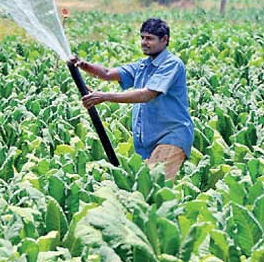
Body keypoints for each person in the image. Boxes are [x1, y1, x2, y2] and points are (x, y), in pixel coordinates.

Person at [70, 18, 193, 180]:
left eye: (149, 38)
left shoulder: (172, 64)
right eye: (142, 37)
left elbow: (146, 95)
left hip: (171, 137)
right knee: (148, 187)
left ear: (164, 40)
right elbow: (107, 73)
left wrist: (105, 96)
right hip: (149, 141)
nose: (144, 42)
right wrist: (83, 65)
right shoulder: (143, 65)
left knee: (154, 184)